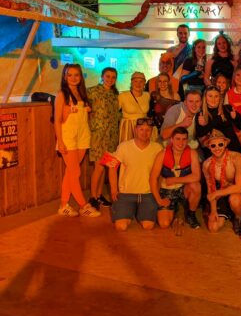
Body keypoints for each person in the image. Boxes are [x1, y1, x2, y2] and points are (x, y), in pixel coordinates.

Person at [54, 63, 101, 217]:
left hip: (82, 135)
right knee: (75, 172)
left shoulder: (82, 94)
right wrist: (60, 141)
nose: (73, 78)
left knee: (71, 172)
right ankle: (83, 205)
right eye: (70, 75)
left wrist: (87, 110)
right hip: (68, 136)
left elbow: (83, 116)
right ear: (64, 77)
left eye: (76, 75)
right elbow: (57, 120)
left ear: (80, 77)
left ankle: (63, 205)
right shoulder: (62, 94)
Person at [108, 118, 163, 231]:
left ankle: (138, 212)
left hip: (148, 193)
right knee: (121, 226)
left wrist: (158, 191)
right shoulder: (124, 146)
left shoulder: (157, 148)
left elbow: (161, 172)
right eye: (141, 129)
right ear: (135, 130)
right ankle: (130, 211)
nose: (144, 133)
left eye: (148, 130)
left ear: (152, 131)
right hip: (126, 193)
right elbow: (112, 167)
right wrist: (114, 189)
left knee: (148, 226)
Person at [149, 127, 202, 229]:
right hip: (167, 190)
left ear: (187, 140)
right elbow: (153, 178)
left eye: (184, 139)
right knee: (164, 224)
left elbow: (196, 176)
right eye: (178, 139)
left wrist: (175, 180)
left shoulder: (192, 153)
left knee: (196, 186)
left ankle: (191, 214)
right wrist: (159, 200)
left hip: (183, 189)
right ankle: (176, 209)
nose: (181, 143)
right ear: (172, 140)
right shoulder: (162, 154)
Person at [87, 67, 120, 210]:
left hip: (111, 136)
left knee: (106, 167)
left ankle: (99, 195)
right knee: (99, 167)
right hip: (98, 135)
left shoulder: (114, 94)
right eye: (108, 76)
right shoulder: (92, 91)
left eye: (113, 77)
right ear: (102, 76)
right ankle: (93, 197)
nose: (110, 79)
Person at [202, 130, 241, 234]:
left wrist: (217, 193)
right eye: (213, 146)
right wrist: (213, 211)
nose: (217, 148)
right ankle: (224, 212)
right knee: (213, 228)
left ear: (225, 143)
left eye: (220, 144)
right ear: (209, 147)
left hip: (235, 192)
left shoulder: (237, 158)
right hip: (220, 193)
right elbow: (211, 189)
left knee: (235, 200)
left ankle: (238, 217)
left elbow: (239, 187)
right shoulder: (206, 164)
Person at [196, 86, 241, 156]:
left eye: (216, 96)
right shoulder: (201, 114)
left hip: (233, 151)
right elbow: (200, 134)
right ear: (205, 97)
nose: (213, 99)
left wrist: (236, 118)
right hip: (215, 154)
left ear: (220, 98)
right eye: (210, 96)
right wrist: (215, 121)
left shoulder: (227, 109)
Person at [118, 72, 157, 142]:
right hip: (128, 128)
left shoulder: (147, 95)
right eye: (135, 81)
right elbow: (114, 113)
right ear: (131, 82)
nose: (138, 84)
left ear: (144, 83)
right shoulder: (122, 96)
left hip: (144, 128)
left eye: (141, 81)